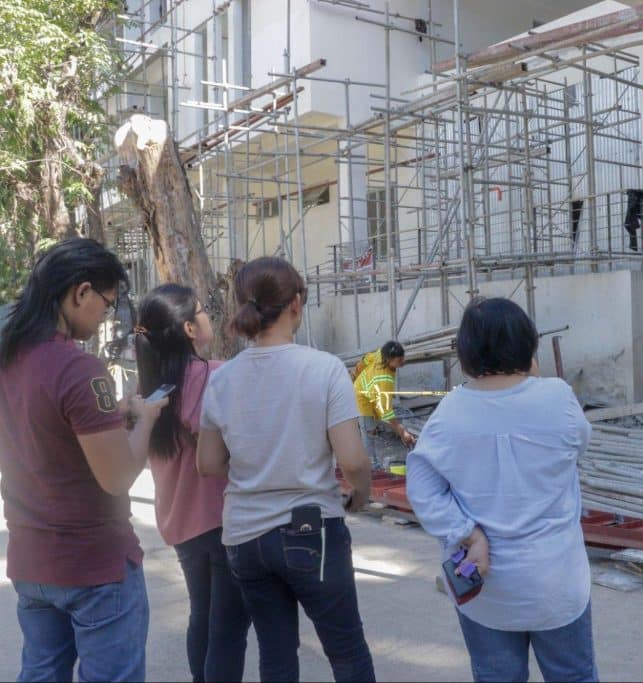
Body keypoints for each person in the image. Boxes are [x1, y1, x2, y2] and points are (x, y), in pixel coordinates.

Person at [196, 256, 375, 682]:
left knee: (276, 655)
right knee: (347, 651)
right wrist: (361, 496)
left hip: (245, 536)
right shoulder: (324, 369)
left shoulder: (223, 379)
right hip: (311, 530)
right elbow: (352, 460)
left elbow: (208, 463)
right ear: (296, 303)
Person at [0, 238, 167, 682]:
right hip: (92, 565)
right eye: (107, 304)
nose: (104, 318)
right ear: (81, 292)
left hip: (31, 560)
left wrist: (114, 417)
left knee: (40, 673)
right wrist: (145, 420)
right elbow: (117, 477)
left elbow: (43, 434)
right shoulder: (77, 369)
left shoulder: (8, 356)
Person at [406, 297, 597, 683]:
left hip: (486, 589)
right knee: (574, 675)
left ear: (465, 353)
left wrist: (467, 533)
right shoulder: (558, 397)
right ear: (528, 345)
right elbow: (578, 443)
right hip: (557, 584)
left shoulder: (449, 413)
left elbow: (422, 490)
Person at [135, 284, 251, 682]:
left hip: (181, 523)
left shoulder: (145, 390)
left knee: (202, 614)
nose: (208, 317)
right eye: (202, 311)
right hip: (224, 520)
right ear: (187, 328)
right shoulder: (217, 376)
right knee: (230, 627)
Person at [352, 339, 416, 468]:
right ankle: (371, 466)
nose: (403, 362)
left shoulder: (380, 354)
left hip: (372, 392)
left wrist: (355, 373)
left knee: (377, 427)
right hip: (361, 396)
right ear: (388, 360)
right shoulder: (384, 379)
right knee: (369, 431)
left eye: (403, 358)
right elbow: (386, 412)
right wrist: (401, 431)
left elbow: (365, 360)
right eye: (399, 361)